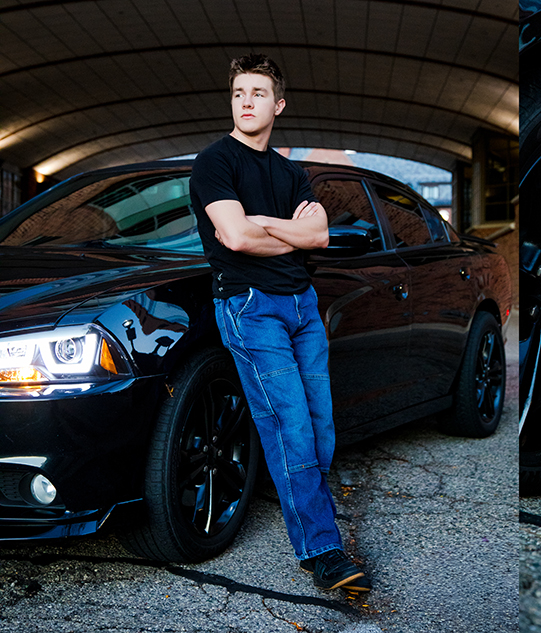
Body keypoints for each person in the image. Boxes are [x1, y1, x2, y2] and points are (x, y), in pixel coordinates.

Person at [190, 53, 370, 593]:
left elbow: (318, 238)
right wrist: (280, 230)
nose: (247, 101)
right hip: (250, 306)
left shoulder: (292, 173)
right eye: (239, 93)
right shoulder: (214, 162)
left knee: (319, 427)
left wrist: (262, 222)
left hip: (302, 305)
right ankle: (322, 550)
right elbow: (236, 239)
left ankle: (296, 494)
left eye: (258, 93)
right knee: (290, 426)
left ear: (279, 104)